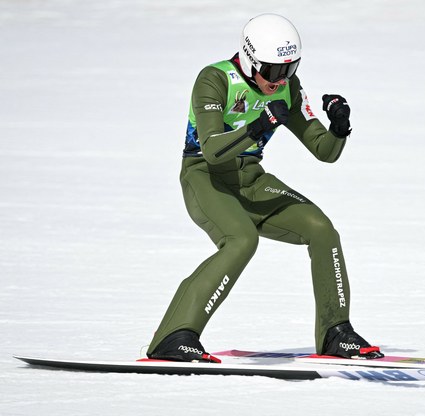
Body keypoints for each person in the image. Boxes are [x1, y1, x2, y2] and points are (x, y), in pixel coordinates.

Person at [146, 13, 383, 362]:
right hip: (204, 177)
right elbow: (210, 149)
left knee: (322, 231)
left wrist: (338, 129)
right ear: (249, 58)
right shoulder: (214, 79)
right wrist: (257, 127)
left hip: (251, 179)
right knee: (241, 240)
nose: (280, 80)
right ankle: (173, 336)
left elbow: (323, 151)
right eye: (272, 71)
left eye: (289, 69)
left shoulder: (289, 85)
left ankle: (336, 332)